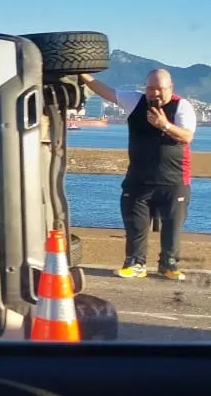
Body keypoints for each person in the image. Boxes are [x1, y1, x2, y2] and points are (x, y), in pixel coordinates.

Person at [79, 68, 196, 280]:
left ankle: (168, 265)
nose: (155, 94)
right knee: (135, 225)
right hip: (138, 179)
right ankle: (135, 263)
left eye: (160, 89)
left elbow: (187, 137)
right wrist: (81, 74)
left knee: (172, 226)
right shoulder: (135, 101)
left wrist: (165, 125)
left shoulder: (182, 106)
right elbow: (103, 90)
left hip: (174, 180)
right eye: (150, 88)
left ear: (171, 88)